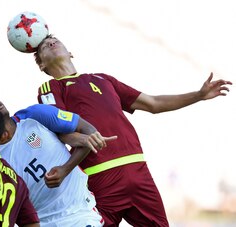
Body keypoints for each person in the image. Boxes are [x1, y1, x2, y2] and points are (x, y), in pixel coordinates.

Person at [34, 34, 233, 227]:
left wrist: (198, 95)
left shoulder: (103, 79)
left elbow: (153, 103)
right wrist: (71, 160)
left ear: (71, 53)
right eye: (44, 46)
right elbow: (60, 130)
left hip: (138, 170)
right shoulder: (50, 87)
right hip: (99, 177)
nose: (51, 43)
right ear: (42, 65)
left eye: (55, 40)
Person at [0, 93, 117, 226]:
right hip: (41, 222)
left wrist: (66, 169)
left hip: (78, 211)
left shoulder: (34, 115)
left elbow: (89, 131)